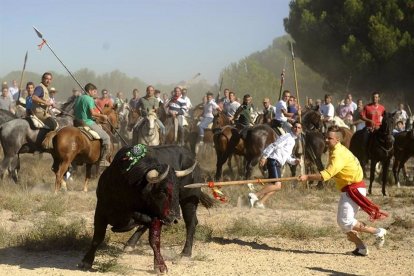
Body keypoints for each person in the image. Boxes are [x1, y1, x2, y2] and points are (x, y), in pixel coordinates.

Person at [298, 126, 388, 256]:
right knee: (344, 223)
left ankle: (378, 232)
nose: (326, 140)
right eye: (326, 137)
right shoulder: (336, 150)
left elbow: (326, 176)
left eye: (330, 138)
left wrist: (307, 177)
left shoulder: (338, 155)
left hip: (353, 189)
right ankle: (361, 248)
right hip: (350, 189)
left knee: (345, 221)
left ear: (338, 140)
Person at [248, 121, 302, 209]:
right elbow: (274, 145)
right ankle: (254, 195)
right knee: (277, 185)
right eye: (295, 127)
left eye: (299, 127)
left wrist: (294, 161)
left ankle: (260, 203)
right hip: (274, 161)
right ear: (292, 128)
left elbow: (286, 156)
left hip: (277, 163)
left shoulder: (292, 140)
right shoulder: (287, 137)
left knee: (275, 187)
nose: (297, 129)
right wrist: (264, 157)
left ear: (301, 130)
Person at [74, 83, 111, 167]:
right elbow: (92, 113)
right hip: (87, 123)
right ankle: (103, 160)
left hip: (77, 122)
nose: (95, 94)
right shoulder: (89, 99)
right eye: (94, 92)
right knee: (106, 137)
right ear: (90, 91)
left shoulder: (79, 98)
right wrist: (103, 116)